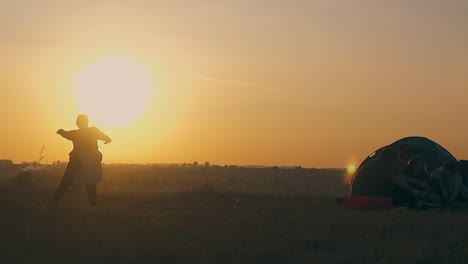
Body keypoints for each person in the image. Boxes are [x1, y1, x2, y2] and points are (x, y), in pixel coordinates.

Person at [48, 114, 111, 210]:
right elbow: (104, 136)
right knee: (90, 181)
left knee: (67, 179)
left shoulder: (76, 133)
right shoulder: (92, 131)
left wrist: (61, 132)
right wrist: (107, 139)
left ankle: (54, 200)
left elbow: (66, 134)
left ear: (78, 123)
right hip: (90, 160)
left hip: (78, 159)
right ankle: (92, 205)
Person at [351, 147, 421, 206]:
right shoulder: (382, 166)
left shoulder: (376, 163)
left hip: (357, 196)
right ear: (392, 159)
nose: (398, 162)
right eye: (397, 159)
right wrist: (413, 191)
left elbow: (399, 177)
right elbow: (397, 180)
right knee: (396, 190)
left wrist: (418, 183)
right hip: (362, 198)